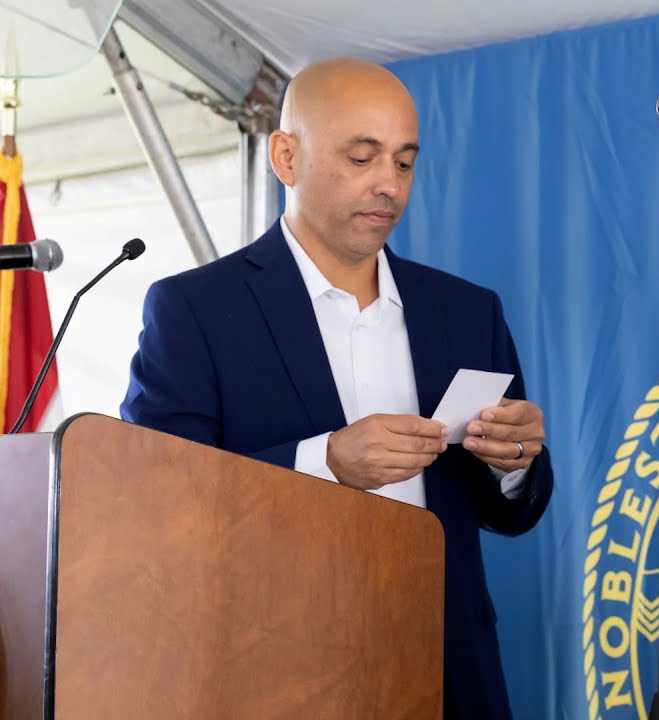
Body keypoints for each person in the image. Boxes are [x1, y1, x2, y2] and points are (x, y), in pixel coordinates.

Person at [121, 58, 552, 720]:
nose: (389, 185)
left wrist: (516, 464)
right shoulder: (195, 310)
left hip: (452, 672)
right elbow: (157, 504)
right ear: (286, 157)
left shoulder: (468, 312)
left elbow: (512, 512)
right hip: (274, 674)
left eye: (405, 163)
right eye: (362, 157)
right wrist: (322, 463)